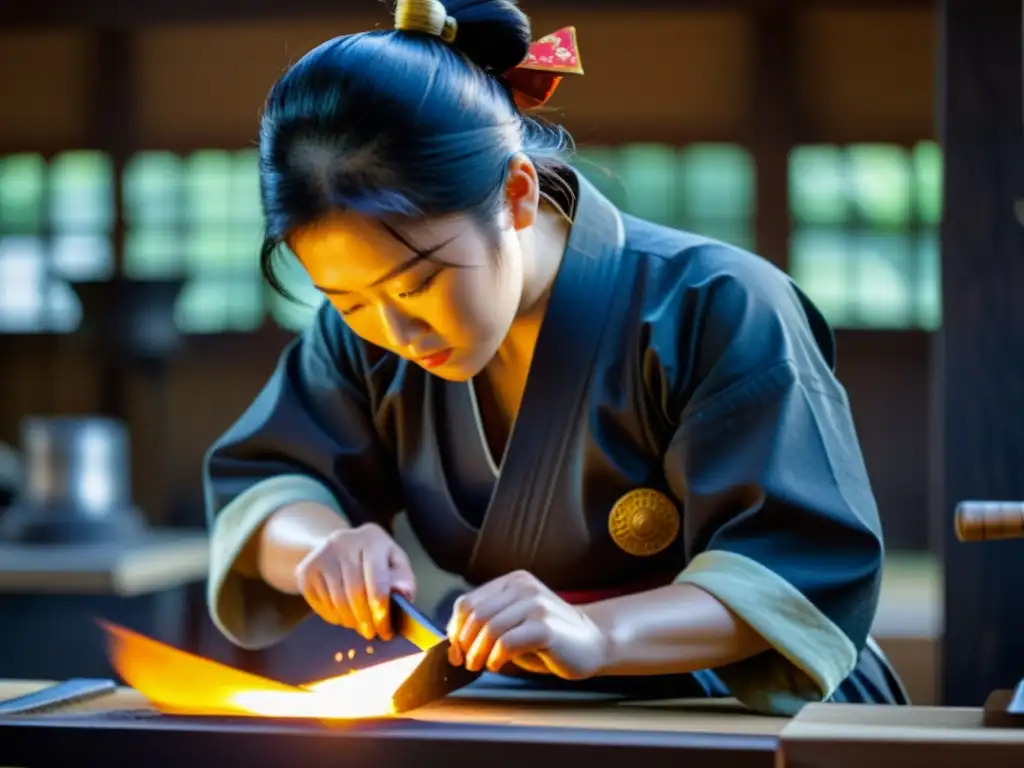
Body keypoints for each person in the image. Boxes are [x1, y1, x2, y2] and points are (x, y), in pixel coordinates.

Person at [203, 0, 908, 716]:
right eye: (348, 299)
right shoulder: (361, 337)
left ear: (515, 193)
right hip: (516, 694)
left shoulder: (718, 305)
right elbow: (271, 482)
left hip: (740, 705)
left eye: (418, 283)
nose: (396, 331)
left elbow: (798, 569)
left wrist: (598, 632)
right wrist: (324, 546)